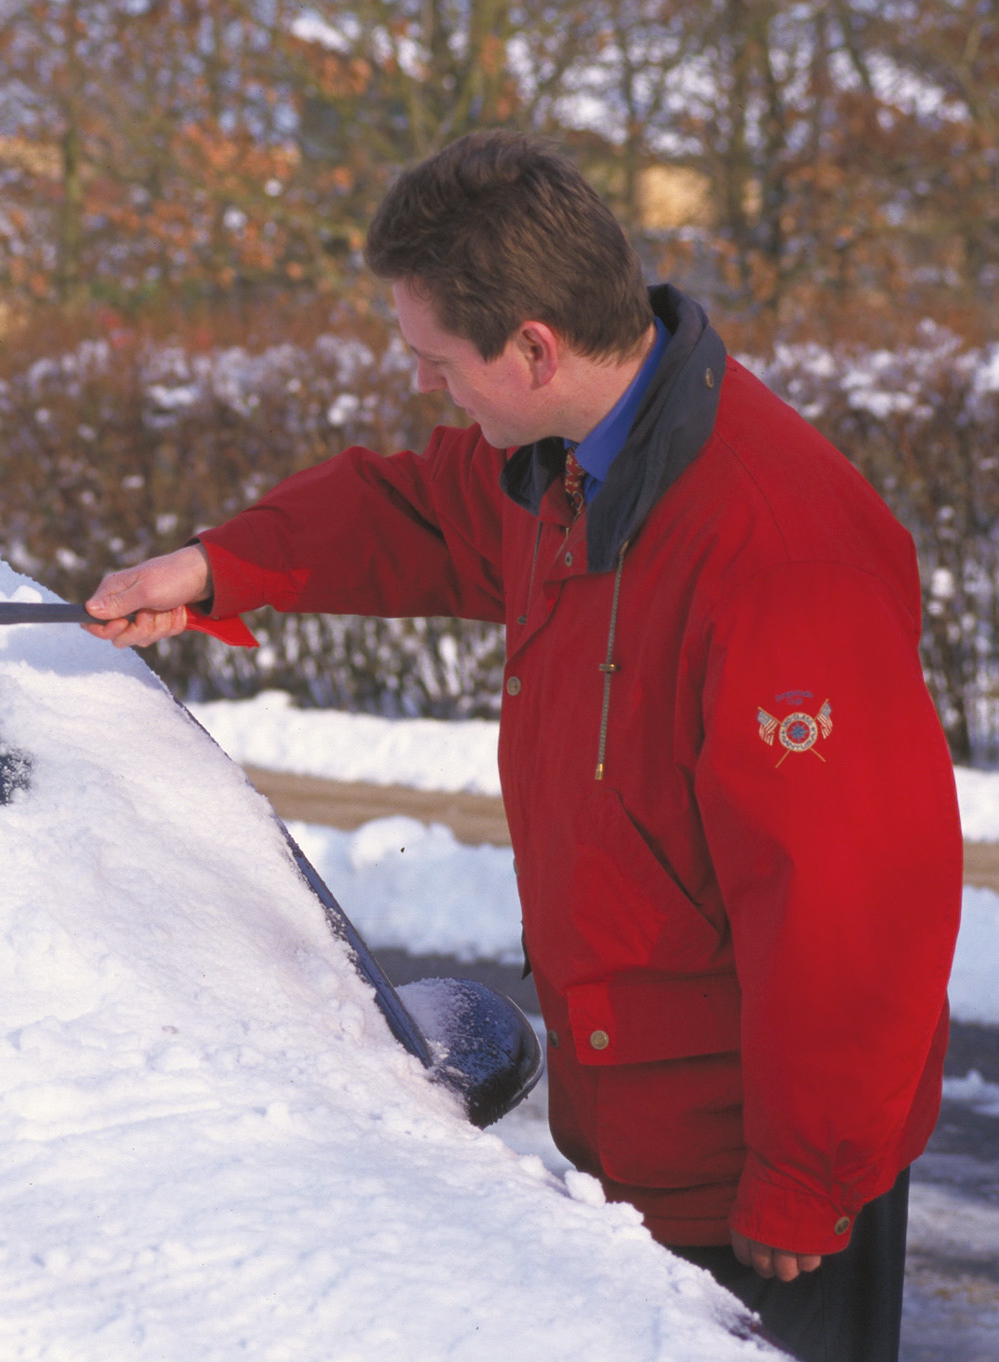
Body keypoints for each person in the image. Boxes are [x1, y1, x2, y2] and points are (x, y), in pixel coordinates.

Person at [83, 130, 962, 1361]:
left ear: (534, 348)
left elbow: (853, 903)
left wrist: (804, 1181)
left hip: (761, 1194)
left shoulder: (776, 550)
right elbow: (409, 512)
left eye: (438, 361)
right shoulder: (563, 473)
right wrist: (223, 565)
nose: (430, 387)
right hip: (631, 1156)